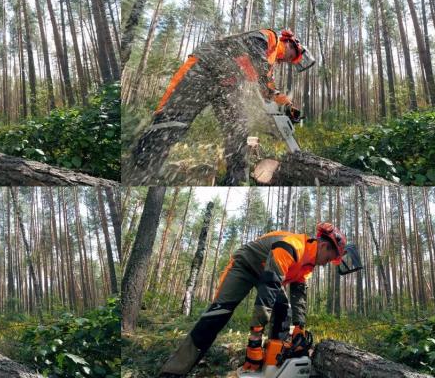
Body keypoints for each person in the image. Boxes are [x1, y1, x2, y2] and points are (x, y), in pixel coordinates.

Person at [159, 222, 359, 376]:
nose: (327, 264)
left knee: (284, 310)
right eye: (329, 258)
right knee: (217, 314)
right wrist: (255, 338)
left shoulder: (308, 265)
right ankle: (174, 371)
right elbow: (268, 289)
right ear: (324, 246)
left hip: (270, 275)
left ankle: (272, 364)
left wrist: (300, 328)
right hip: (245, 267)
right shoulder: (291, 247)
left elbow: (299, 297)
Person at [127, 29, 315, 185]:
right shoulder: (268, 38)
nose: (290, 60)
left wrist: (288, 106)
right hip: (203, 70)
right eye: (293, 56)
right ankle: (140, 167)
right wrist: (264, 79)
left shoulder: (270, 63)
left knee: (238, 125)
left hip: (227, 85)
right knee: (173, 120)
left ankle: (236, 179)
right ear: (290, 43)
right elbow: (255, 56)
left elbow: (269, 89)